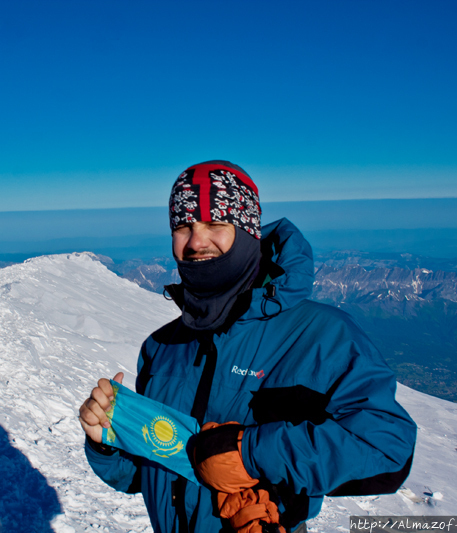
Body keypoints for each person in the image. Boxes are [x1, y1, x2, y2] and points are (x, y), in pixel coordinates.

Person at [79, 161, 417, 533]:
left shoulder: (322, 336)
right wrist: (108, 442)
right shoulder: (161, 347)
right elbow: (146, 475)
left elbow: (387, 448)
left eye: (215, 225)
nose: (195, 241)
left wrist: (250, 454)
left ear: (247, 232)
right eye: (183, 227)